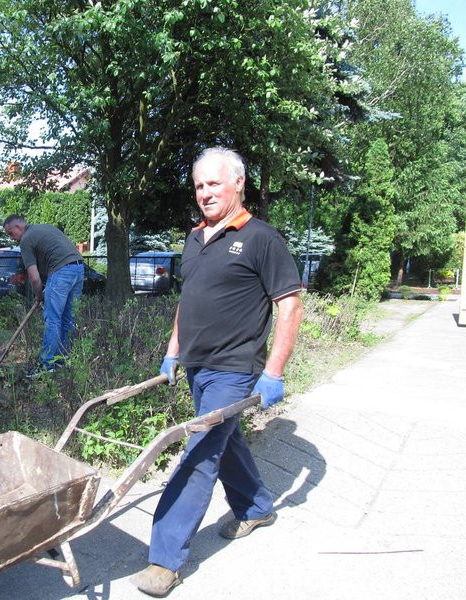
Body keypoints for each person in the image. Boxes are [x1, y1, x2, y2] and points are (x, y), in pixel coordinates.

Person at [131, 147, 304, 597]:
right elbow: (189, 301)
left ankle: (164, 559)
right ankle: (256, 506)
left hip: (234, 369)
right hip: (197, 366)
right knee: (225, 441)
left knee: (200, 451)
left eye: (214, 183)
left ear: (238, 183)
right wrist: (173, 351)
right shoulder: (193, 238)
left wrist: (273, 371)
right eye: (199, 185)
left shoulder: (262, 238)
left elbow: (288, 304)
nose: (205, 193)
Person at [3, 215, 84, 376]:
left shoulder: (26, 240)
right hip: (79, 268)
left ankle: (46, 365)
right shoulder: (45, 227)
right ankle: (62, 360)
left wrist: (39, 295)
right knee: (68, 319)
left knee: (52, 319)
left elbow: (34, 277)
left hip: (61, 271)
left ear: (19, 227)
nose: (12, 239)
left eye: (11, 233)